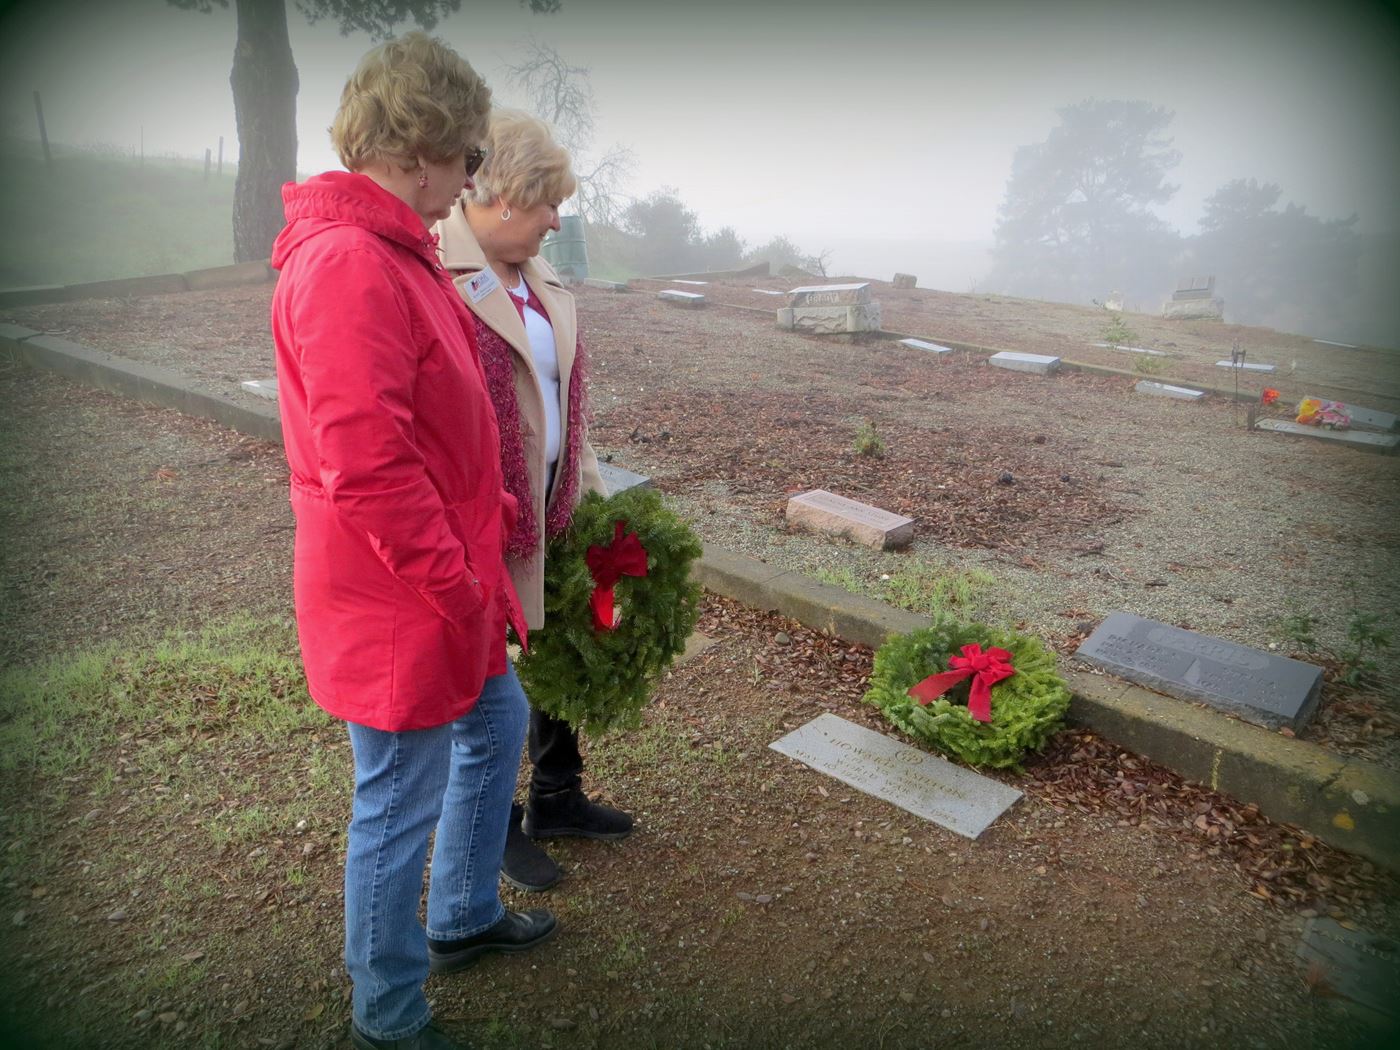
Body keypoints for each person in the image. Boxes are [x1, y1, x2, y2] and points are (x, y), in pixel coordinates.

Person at [269, 35, 555, 1050]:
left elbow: (439, 423)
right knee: (394, 803)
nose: (468, 183)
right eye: (468, 159)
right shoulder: (349, 262)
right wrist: (457, 584)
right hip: (403, 595)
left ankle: (464, 914)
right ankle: (388, 1016)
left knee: (497, 721)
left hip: (444, 578)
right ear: (421, 145)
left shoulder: (392, 247)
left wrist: (488, 544)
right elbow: (369, 469)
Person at [434, 110, 632, 894]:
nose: (557, 218)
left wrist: (589, 499)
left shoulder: (541, 276)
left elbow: (563, 403)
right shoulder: (437, 272)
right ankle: (495, 822)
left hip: (551, 506)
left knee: (555, 651)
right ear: (505, 193)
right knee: (488, 685)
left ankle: (556, 795)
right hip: (484, 519)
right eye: (548, 202)